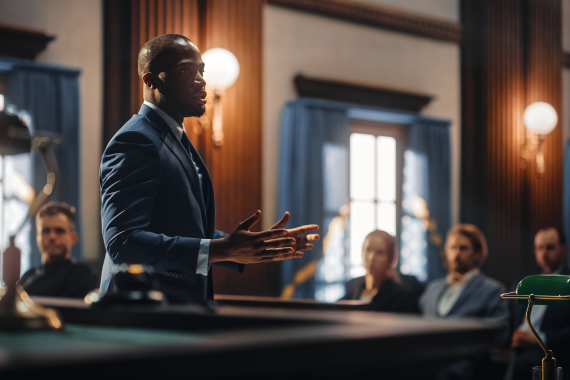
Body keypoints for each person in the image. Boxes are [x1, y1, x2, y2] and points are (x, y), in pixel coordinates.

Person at [99, 34, 319, 304]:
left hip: (179, 308)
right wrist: (219, 249)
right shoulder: (135, 140)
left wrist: (249, 246)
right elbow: (124, 242)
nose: (201, 80)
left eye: (201, 71)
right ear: (150, 80)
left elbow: (180, 226)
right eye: (185, 71)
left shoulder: (174, 137)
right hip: (141, 310)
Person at [420, 224, 508, 380]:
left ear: (477, 253)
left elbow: (499, 332)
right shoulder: (432, 289)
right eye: (452, 248)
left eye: (463, 248)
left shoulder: (492, 290)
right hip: (424, 364)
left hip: (462, 368)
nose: (456, 253)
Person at [511, 227, 570, 380]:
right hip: (518, 348)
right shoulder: (524, 281)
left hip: (552, 351)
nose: (544, 253)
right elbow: (509, 315)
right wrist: (514, 335)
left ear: (563, 249)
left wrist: (539, 338)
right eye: (539, 248)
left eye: (550, 247)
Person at [18, 202, 94, 299]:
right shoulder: (29, 275)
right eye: (46, 231)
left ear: (73, 238)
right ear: (38, 238)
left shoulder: (80, 274)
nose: (52, 236)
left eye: (59, 230)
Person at [341, 230, 419, 314]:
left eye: (380, 253)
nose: (371, 258)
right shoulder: (352, 287)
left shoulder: (404, 297)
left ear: (391, 258)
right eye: (368, 250)